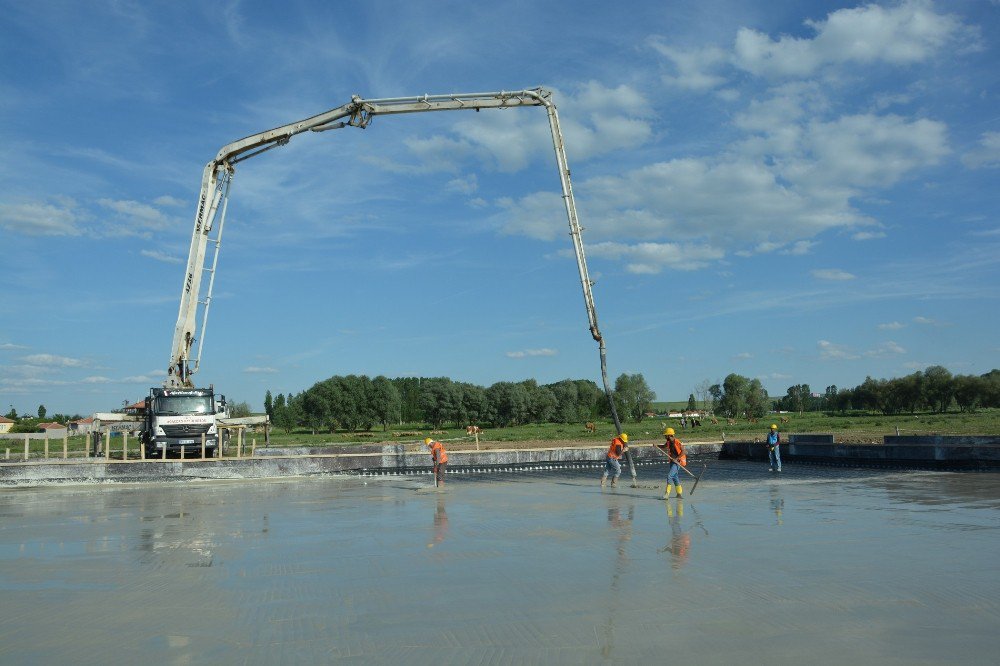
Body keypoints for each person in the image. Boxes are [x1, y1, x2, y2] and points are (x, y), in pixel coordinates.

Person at [657, 427, 686, 499]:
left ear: (669, 435)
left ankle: (667, 494)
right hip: (672, 461)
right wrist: (657, 446)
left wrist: (676, 458)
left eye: (666, 435)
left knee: (669, 476)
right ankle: (679, 494)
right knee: (675, 477)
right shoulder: (668, 442)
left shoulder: (677, 442)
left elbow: (684, 451)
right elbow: (664, 446)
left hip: (677, 462)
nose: (665, 437)